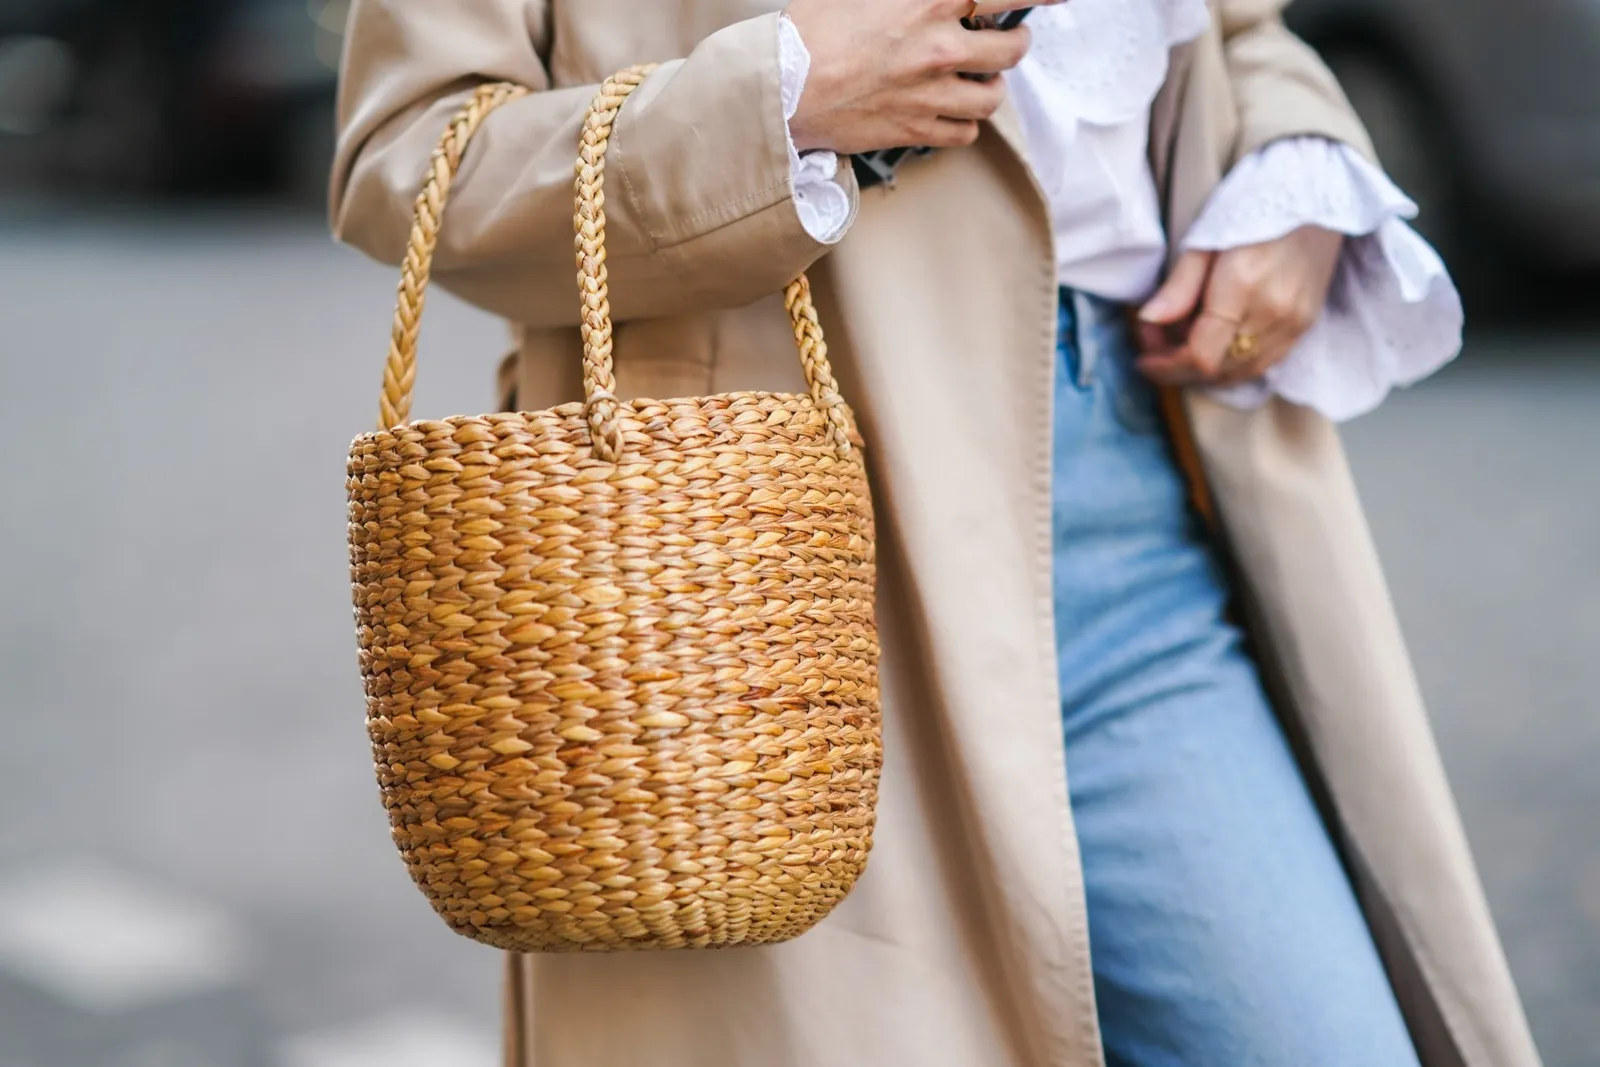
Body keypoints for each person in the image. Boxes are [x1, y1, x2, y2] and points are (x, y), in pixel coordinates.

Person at [330, 2, 1543, 1065]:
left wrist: (1293, 162)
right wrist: (779, 99)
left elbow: (1236, 32)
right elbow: (409, 154)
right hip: (747, 579)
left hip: (1146, 504)